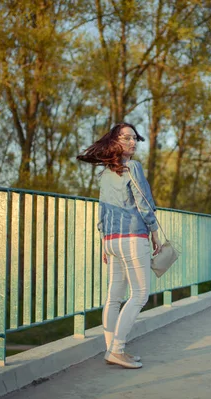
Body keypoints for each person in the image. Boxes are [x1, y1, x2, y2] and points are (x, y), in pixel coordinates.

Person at [77, 122, 161, 369]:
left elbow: (102, 210)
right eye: (126, 138)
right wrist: (154, 231)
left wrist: (104, 241)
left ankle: (112, 350)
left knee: (114, 297)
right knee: (139, 294)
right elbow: (144, 203)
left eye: (135, 138)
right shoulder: (133, 167)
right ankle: (117, 349)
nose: (132, 142)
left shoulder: (104, 173)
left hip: (113, 240)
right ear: (114, 141)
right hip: (133, 238)